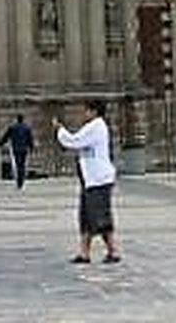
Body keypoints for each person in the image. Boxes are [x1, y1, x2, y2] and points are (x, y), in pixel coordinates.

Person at [56, 99, 120, 265]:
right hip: (90, 180)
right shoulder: (93, 127)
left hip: (98, 179)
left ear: (93, 111)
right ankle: (84, 253)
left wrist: (60, 130)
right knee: (86, 216)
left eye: (86, 111)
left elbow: (74, 141)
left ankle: (113, 251)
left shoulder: (96, 126)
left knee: (99, 217)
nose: (84, 114)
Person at [0, 113, 35, 189]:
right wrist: (31, 148)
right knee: (22, 164)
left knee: (18, 164)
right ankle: (21, 180)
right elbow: (30, 139)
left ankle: (19, 181)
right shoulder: (27, 128)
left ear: (16, 119)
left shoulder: (12, 127)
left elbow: (6, 137)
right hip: (24, 149)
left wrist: (1, 143)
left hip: (15, 148)